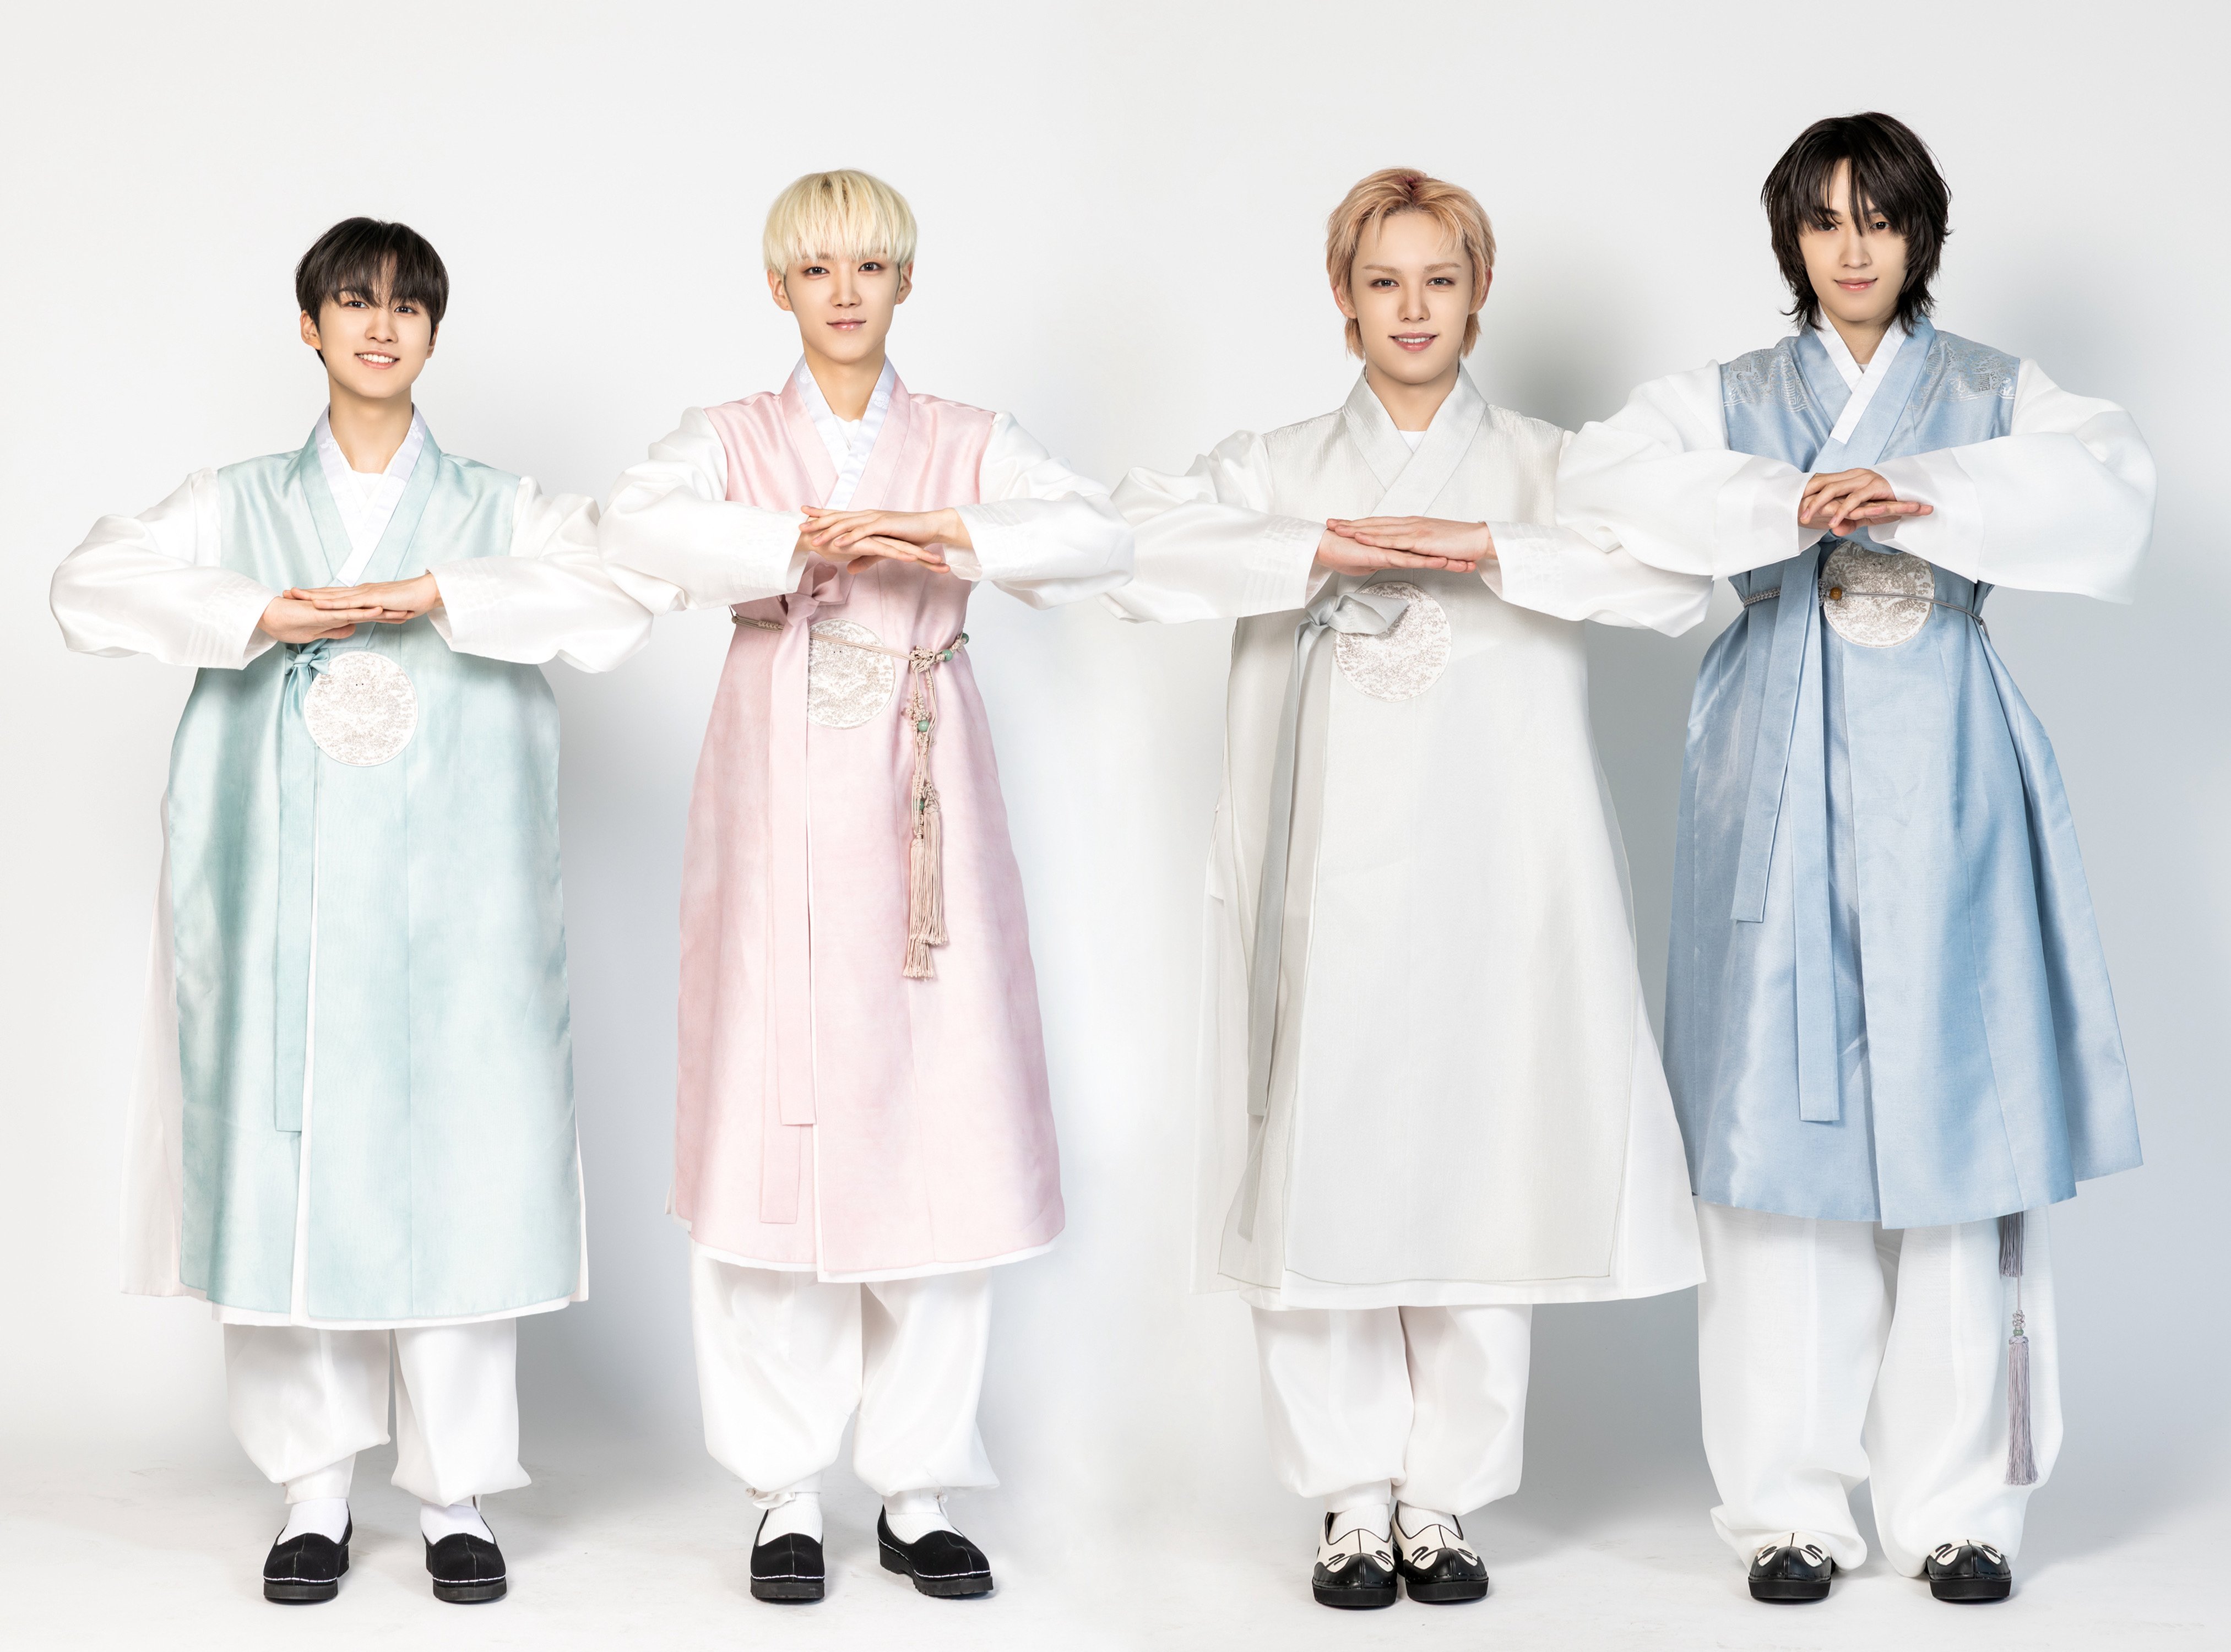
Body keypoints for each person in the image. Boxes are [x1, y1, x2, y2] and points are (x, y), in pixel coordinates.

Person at [1556, 112, 2153, 1605]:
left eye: (1876, 218)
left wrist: (1932, 494)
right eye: (1822, 221)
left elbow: (2109, 480)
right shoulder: (1733, 397)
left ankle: (1963, 1511)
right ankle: (1786, 1510)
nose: (1851, 248)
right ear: (1790, 240)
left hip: (1945, 767)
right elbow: (1596, 475)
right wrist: (1777, 502)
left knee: (1963, 1127)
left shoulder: (1991, 391)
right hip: (1771, 763)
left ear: (1918, 233)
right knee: (1778, 1140)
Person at [1104, 167, 1709, 1610]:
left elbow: (1678, 578)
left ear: (1479, 292)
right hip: (1330, 891)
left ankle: (1442, 1500)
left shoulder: (1549, 467)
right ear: (1344, 297)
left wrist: (1489, 548)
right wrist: (1309, 547)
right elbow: (1125, 545)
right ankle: (1349, 1499)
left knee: (1484, 1164)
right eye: (1385, 280)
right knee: (1324, 1164)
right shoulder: (1277, 468)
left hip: (1499, 885)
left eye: (1440, 278)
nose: (1414, 308)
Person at [50, 218, 650, 1605]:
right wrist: (256, 613)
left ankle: (456, 1497)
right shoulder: (235, 504)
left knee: (462, 1172)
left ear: (433, 332)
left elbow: (622, 587)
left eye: (405, 306)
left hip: (460, 912)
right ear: (309, 325)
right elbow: (89, 583)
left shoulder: (500, 507)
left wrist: (440, 594)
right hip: (287, 900)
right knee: (291, 1170)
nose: (380, 326)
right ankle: (311, 1495)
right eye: (352, 301)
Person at [596, 169, 1131, 1605]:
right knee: (767, 1117)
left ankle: (917, 1485)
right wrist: (795, 541)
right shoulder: (728, 437)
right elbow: (631, 528)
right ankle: (781, 1489)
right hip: (770, 794)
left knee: (939, 1114)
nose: (845, 292)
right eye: (817, 269)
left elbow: (1097, 532)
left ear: (905, 281)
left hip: (920, 800)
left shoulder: (963, 439)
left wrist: (946, 534)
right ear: (777, 286)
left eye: (871, 266)